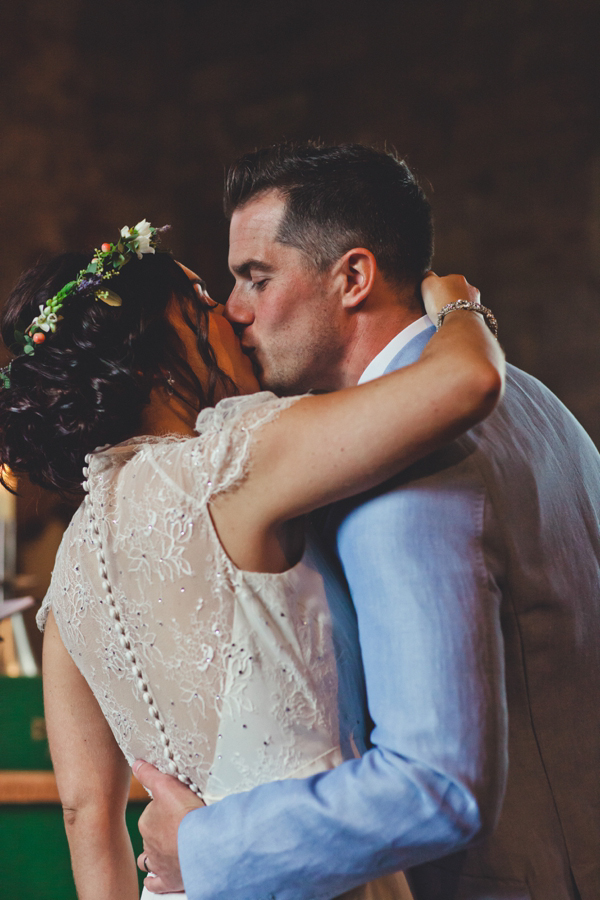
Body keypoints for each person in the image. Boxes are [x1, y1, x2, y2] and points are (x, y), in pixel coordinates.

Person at [135, 144, 600, 900]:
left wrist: (207, 850)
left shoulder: (407, 466)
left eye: (257, 276)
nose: (233, 309)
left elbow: (434, 783)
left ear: (352, 277)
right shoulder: (538, 400)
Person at [0, 219, 503, 900]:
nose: (231, 314)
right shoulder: (229, 461)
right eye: (202, 299)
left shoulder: (71, 570)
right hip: (306, 873)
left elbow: (86, 814)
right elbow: (469, 380)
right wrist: (456, 307)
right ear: (153, 350)